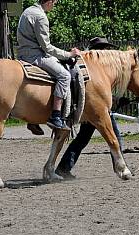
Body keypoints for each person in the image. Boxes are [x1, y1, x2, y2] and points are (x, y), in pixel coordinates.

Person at [55, 37, 128, 180]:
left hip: (91, 109)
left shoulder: (99, 65)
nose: (106, 50)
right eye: (104, 47)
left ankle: (63, 168)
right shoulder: (94, 66)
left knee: (82, 140)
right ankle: (122, 168)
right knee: (115, 137)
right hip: (98, 110)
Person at [17, 0, 81, 132]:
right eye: (54, 4)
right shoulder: (41, 17)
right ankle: (56, 115)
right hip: (34, 56)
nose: (54, 6)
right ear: (49, 2)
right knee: (64, 76)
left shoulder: (27, 11)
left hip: (22, 54)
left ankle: (33, 118)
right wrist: (68, 54)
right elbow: (47, 47)